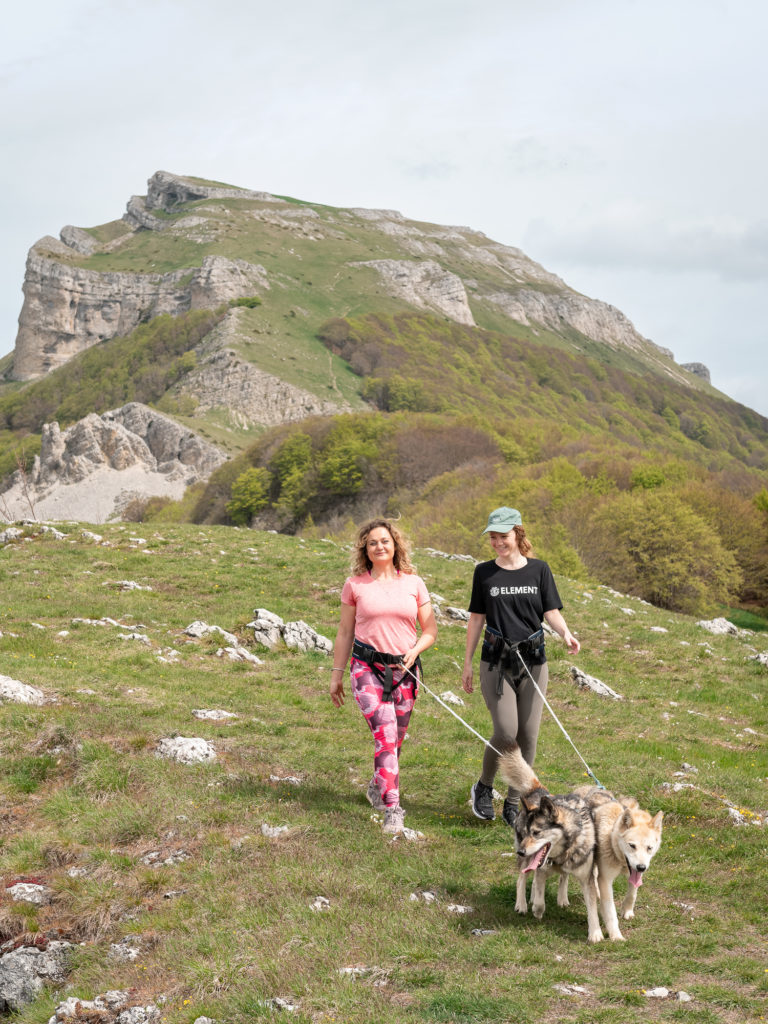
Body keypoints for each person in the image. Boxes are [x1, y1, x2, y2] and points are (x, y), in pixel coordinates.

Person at [461, 506, 580, 826]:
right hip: (495, 663)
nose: (498, 542)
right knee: (505, 732)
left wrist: (565, 633)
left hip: (534, 662)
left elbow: (550, 610)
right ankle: (483, 788)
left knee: (528, 736)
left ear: (518, 534)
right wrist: (468, 662)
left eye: (504, 536)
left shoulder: (539, 570)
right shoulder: (484, 572)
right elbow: (476, 619)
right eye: (493, 537)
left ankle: (514, 802)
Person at [330, 518, 437, 834]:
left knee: (395, 741)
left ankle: (379, 786)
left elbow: (430, 630)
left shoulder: (414, 583)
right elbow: (345, 631)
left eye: (385, 541)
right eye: (373, 542)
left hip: (405, 673)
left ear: (395, 546)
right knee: (386, 735)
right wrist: (336, 674)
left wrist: (415, 650)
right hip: (366, 670)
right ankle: (393, 810)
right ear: (365, 548)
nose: (379, 546)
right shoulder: (355, 585)